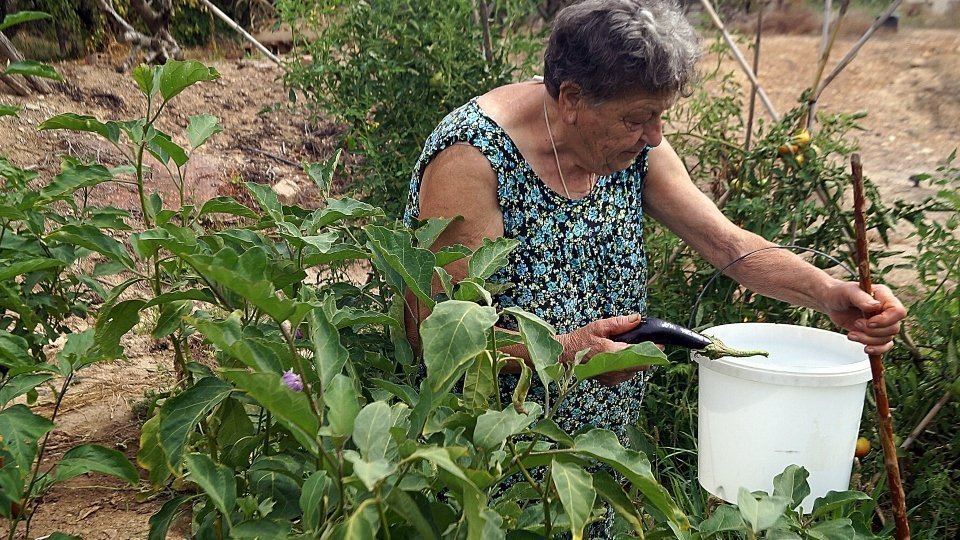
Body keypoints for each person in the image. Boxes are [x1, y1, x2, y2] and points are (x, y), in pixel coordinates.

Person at [403, 0, 906, 441]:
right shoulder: (474, 159)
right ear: (573, 99)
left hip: (600, 446)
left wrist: (826, 293)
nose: (655, 136)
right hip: (493, 449)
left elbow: (727, 245)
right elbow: (439, 336)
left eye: (660, 115)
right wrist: (561, 351)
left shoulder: (628, 148)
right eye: (638, 117)